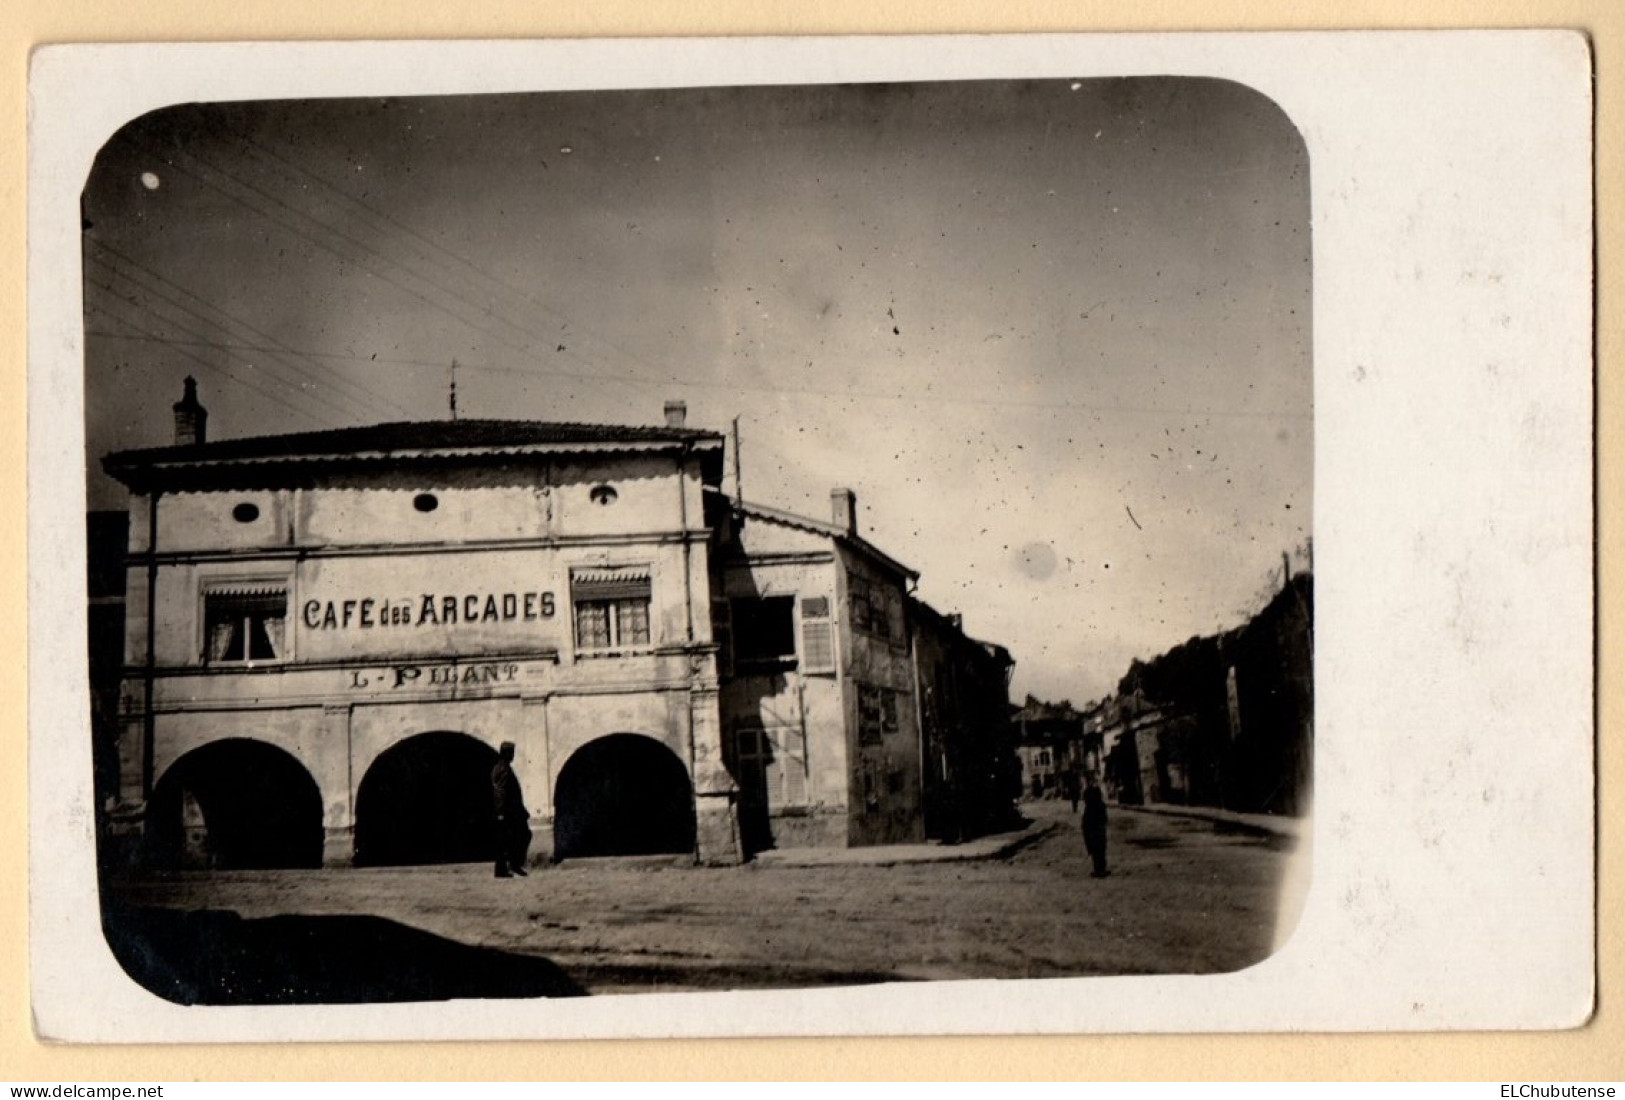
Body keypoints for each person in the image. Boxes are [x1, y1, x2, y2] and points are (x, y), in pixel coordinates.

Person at [491, 741, 531, 878]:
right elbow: (500, 792)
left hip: (511, 811)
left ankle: (509, 867)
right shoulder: (503, 769)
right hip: (508, 812)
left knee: (510, 839)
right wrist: (500, 811)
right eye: (511, 752)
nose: (513, 755)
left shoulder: (503, 767)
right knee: (515, 838)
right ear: (505, 753)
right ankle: (511, 866)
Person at [1081, 774, 1109, 878]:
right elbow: (1104, 818)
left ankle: (1098, 869)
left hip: (1092, 829)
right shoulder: (1100, 805)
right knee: (1101, 849)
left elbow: (1085, 824)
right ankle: (1101, 869)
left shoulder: (1089, 809)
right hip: (1098, 828)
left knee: (1095, 849)